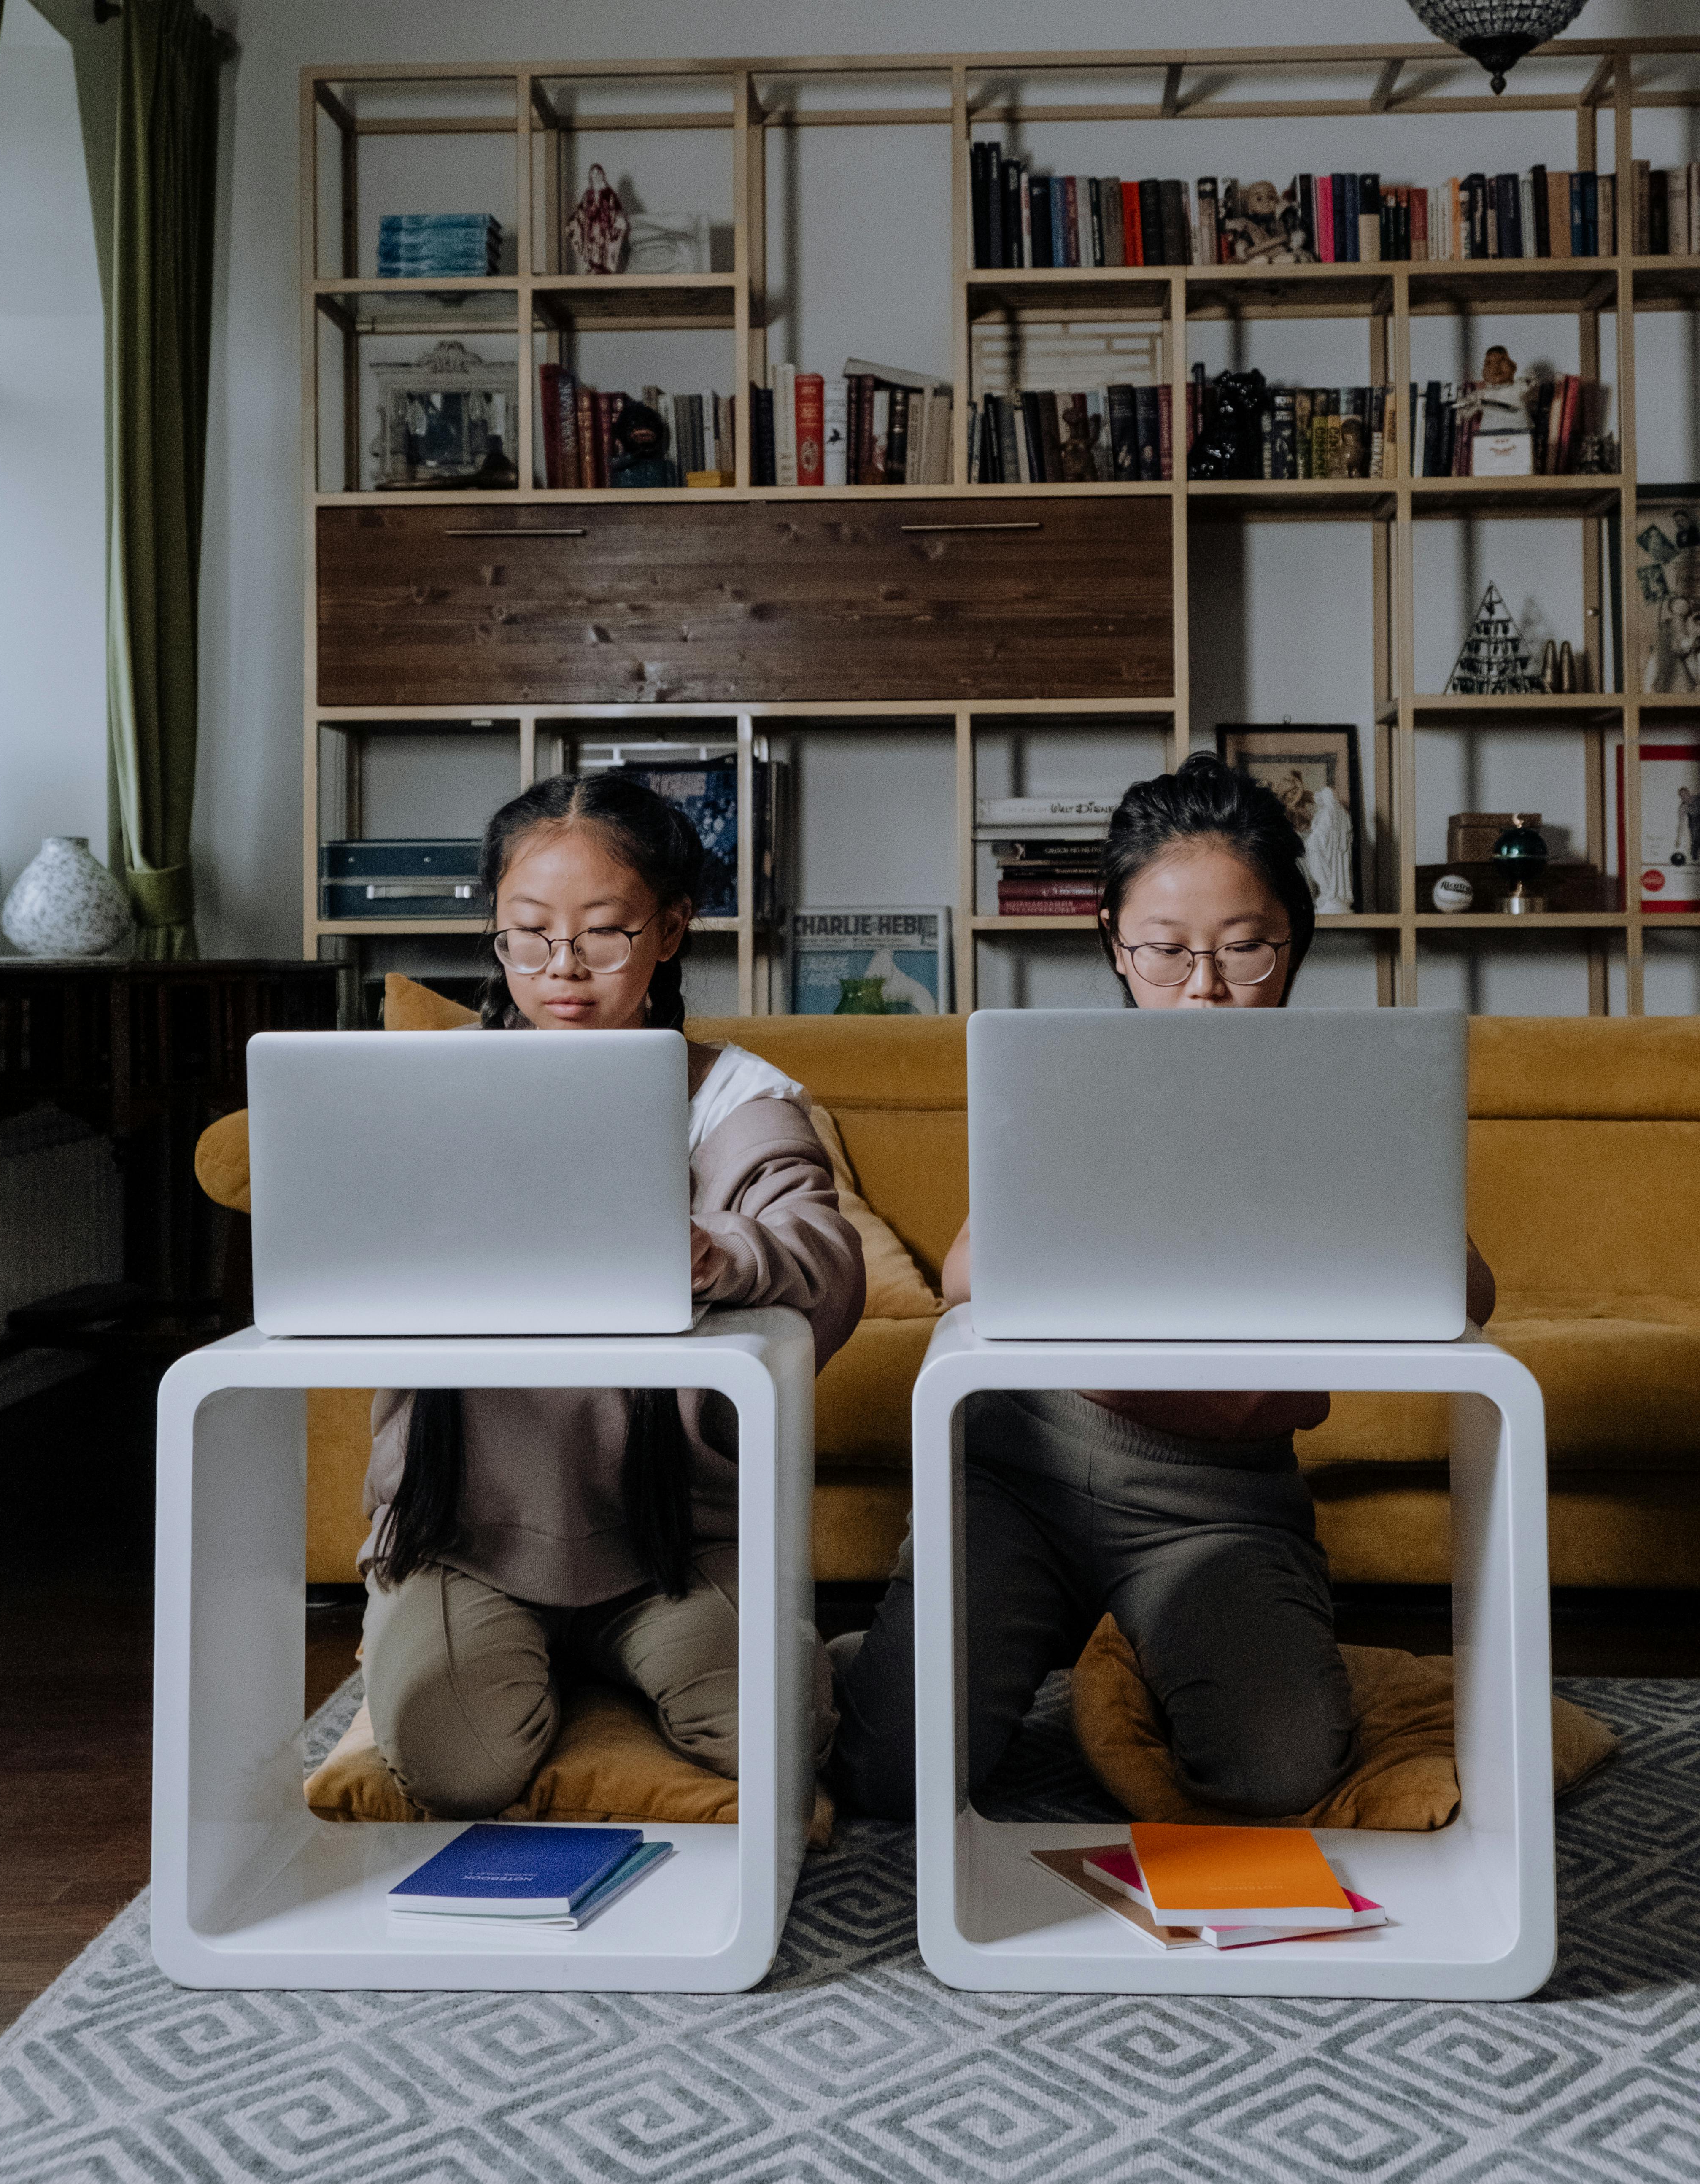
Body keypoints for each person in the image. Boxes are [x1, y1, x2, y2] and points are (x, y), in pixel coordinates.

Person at [831, 751, 1495, 1823]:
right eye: (1166, 953)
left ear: (1295, 942)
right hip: (1023, 1466)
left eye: (1245, 952)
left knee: (1276, 1775)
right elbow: (962, 1276)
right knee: (885, 1777)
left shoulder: (1341, 1101)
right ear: (1114, 943)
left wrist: (1333, 1175)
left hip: (1220, 1500)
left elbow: (1465, 1292)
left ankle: (1142, 1651)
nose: (1205, 990)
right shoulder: (1074, 1077)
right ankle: (908, 1651)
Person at [360, 774, 865, 1818]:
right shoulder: (428, 1092)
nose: (563, 970)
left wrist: (720, 1253)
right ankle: (517, 1666)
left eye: (604, 935)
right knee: (457, 1764)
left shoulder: (732, 1098)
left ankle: (655, 1665)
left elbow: (821, 1249)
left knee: (785, 1733)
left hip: (666, 1542)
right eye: (528, 935)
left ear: (671, 931)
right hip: (464, 1531)